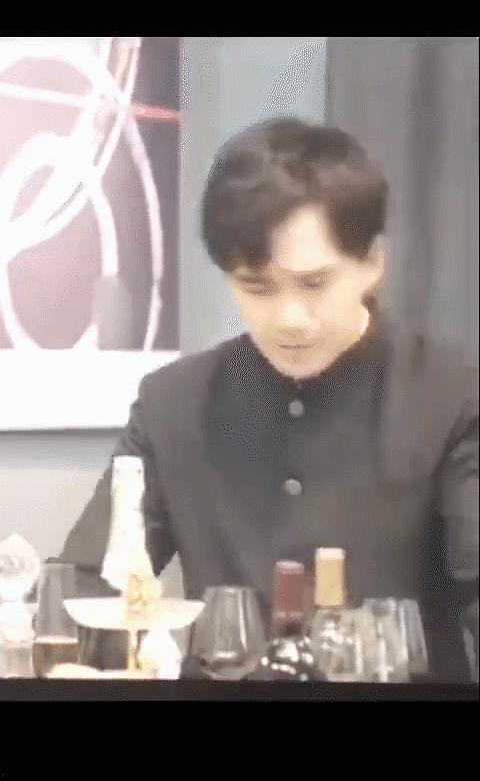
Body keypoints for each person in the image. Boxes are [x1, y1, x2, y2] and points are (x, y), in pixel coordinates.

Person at [61, 118, 478, 680]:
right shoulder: (172, 405)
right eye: (256, 287)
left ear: (373, 264)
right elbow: (86, 586)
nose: (289, 319)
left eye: (314, 283)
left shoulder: (450, 396)